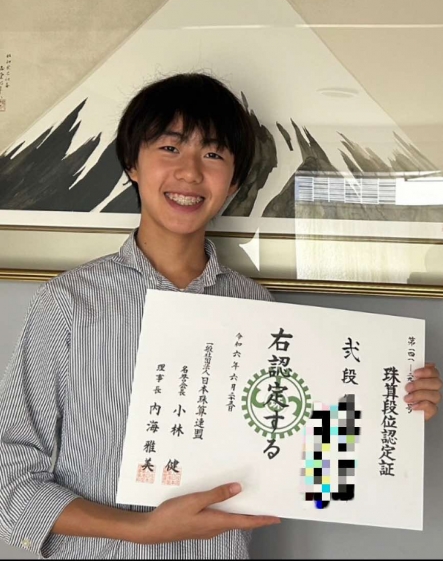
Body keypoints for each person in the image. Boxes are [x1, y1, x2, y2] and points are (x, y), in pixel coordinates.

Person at [0, 73, 441, 560]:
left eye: (212, 155)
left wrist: (389, 412)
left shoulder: (255, 308)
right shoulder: (69, 303)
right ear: (132, 164)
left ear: (232, 183)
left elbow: (305, 464)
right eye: (170, 148)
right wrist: (142, 529)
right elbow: (9, 478)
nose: (190, 172)